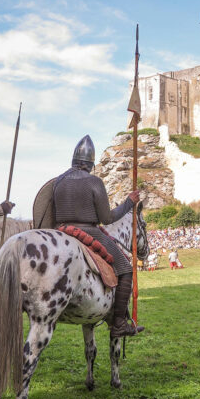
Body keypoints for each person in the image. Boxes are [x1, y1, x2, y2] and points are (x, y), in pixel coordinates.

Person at [52, 135, 143, 337]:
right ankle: (118, 323)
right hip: (88, 232)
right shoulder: (94, 181)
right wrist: (129, 202)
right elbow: (107, 218)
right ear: (90, 163)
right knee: (125, 269)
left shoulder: (59, 181)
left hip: (61, 232)